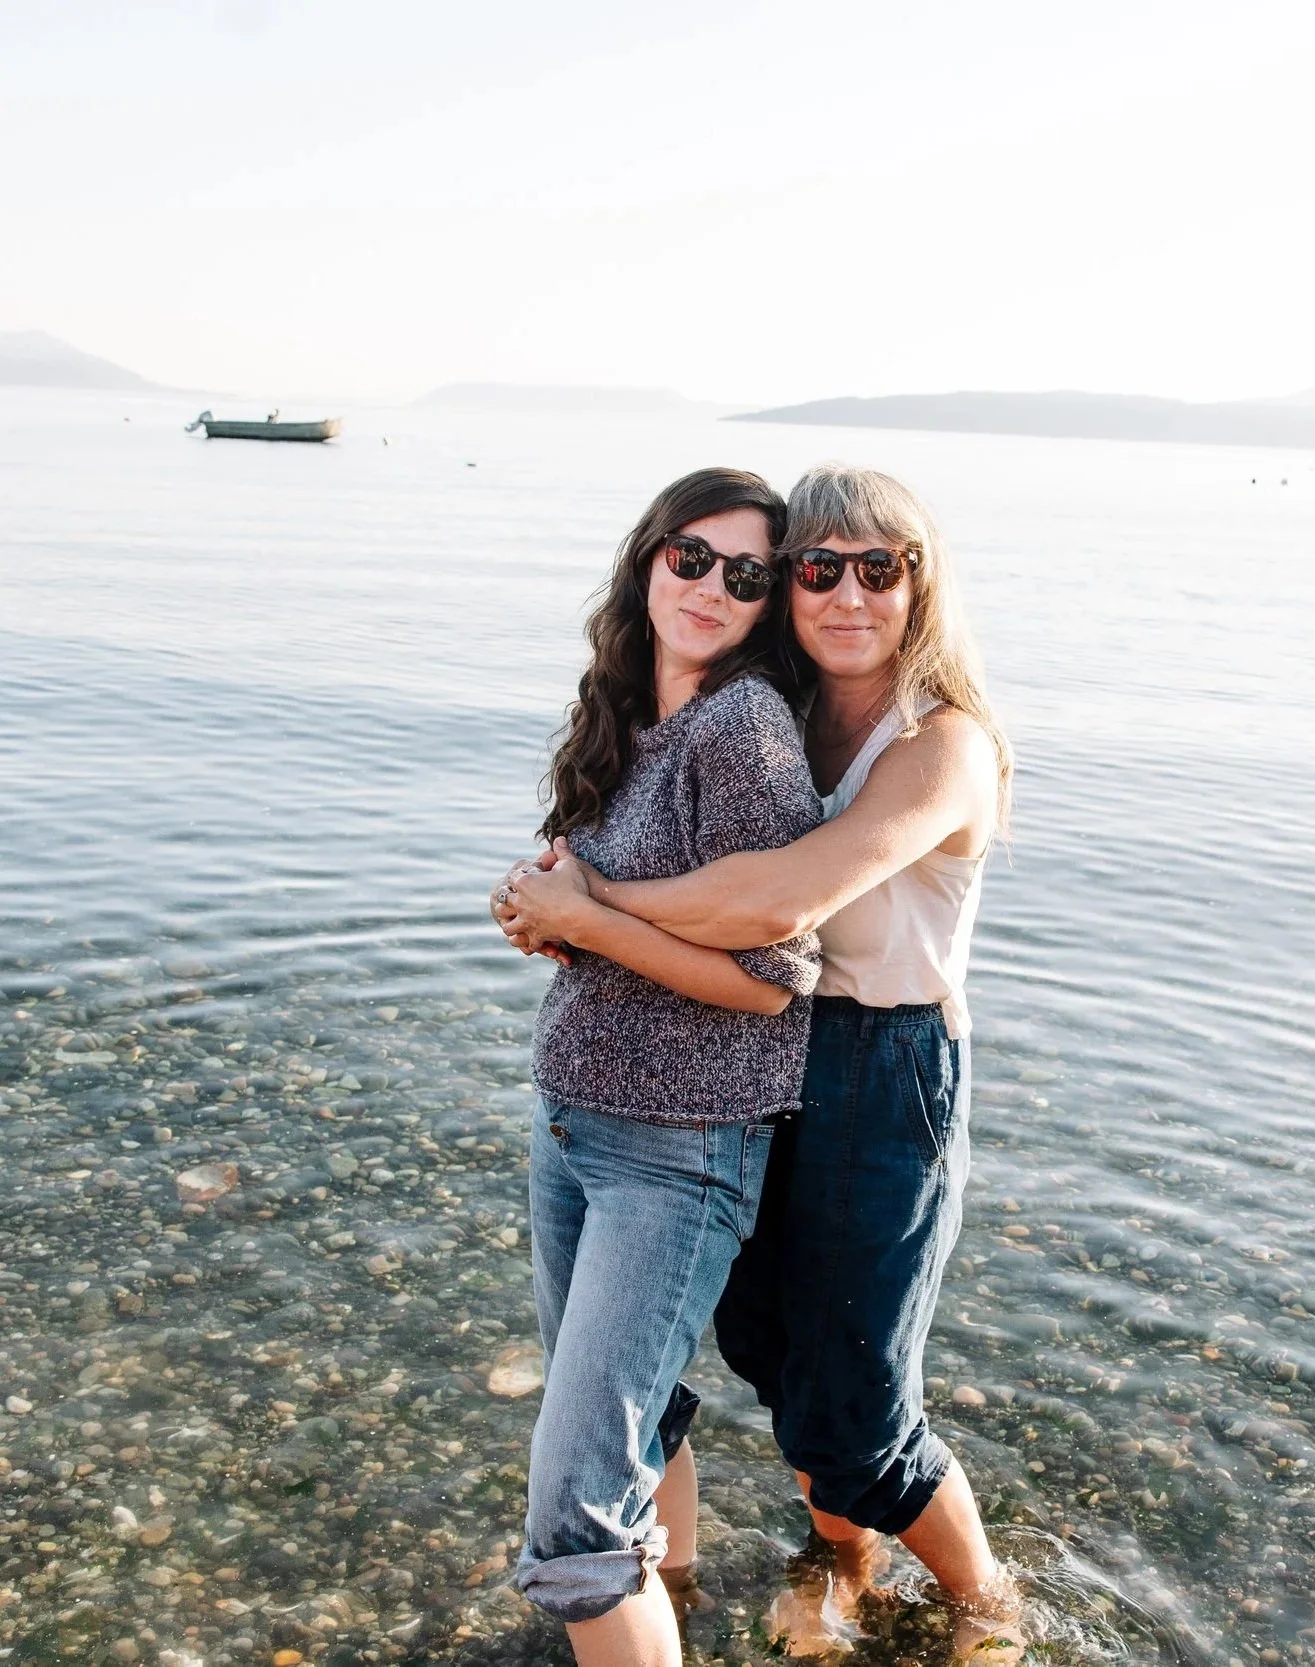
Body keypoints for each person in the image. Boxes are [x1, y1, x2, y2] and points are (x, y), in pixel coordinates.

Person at [499, 462, 1021, 1662]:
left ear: (918, 585)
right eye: (814, 569)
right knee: (772, 1359)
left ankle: (984, 1608)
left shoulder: (943, 743)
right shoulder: (771, 707)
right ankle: (839, 1562)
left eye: (877, 569)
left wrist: (585, 905)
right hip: (750, 1057)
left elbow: (779, 901)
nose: (845, 594)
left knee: (855, 1401)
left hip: (882, 1065)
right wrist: (553, 897)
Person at [492, 467, 823, 1667]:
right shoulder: (627, 712)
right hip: (574, 1124)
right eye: (693, 556)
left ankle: (628, 1607)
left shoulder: (742, 730)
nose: (713, 588)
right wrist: (538, 906)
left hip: (678, 1150)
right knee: (645, 1429)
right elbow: (607, 908)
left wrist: (584, 919)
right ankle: (667, 1598)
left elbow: (777, 978)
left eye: (748, 576)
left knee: (572, 1522)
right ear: (650, 557)